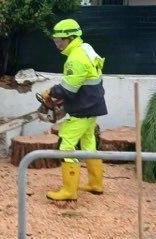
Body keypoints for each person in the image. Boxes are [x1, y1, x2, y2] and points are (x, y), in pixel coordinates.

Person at [40, 18, 107, 201]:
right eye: (55, 41)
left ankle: (69, 191)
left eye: (60, 41)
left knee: (66, 145)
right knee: (88, 144)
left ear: (71, 38)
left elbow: (68, 90)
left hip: (82, 109)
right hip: (93, 105)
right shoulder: (85, 48)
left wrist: (50, 91)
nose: (57, 44)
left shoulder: (75, 59)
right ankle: (95, 183)